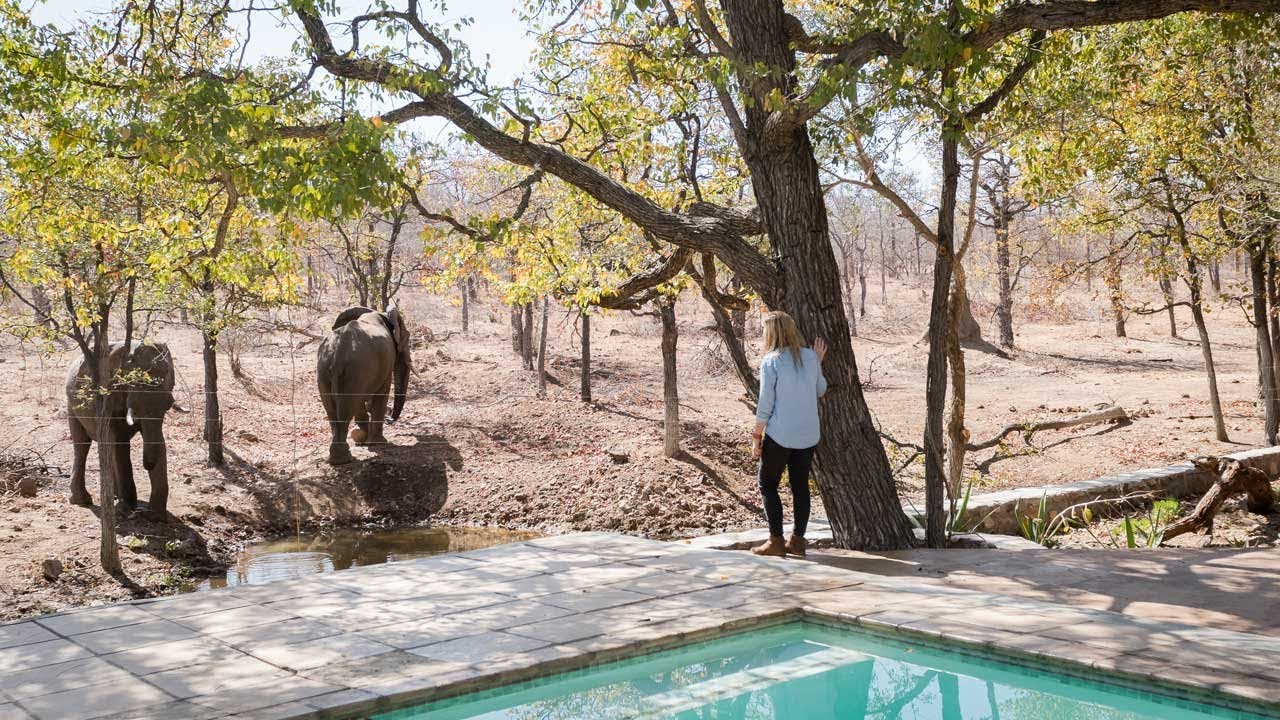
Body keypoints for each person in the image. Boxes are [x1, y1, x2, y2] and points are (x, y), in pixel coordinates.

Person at [750, 311, 827, 557]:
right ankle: (798, 541)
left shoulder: (771, 361)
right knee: (800, 486)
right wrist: (818, 363)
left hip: (781, 434)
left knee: (767, 484)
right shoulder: (810, 357)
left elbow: (765, 404)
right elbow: (821, 390)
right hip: (808, 436)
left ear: (771, 333)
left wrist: (756, 437)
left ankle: (775, 541)